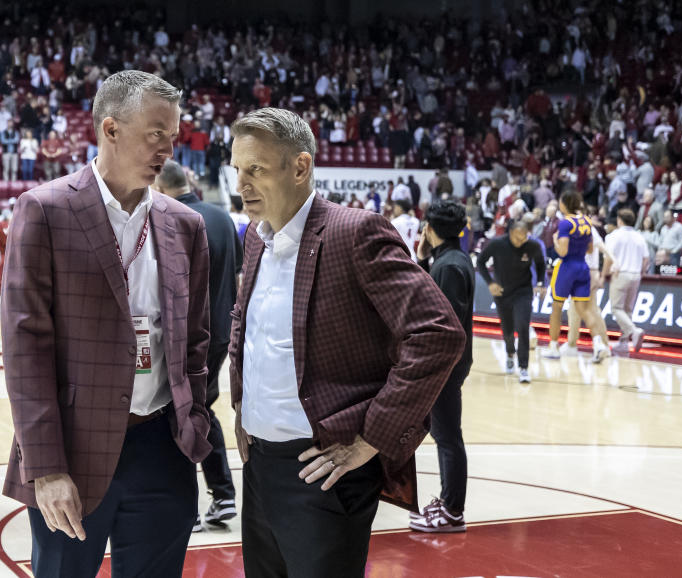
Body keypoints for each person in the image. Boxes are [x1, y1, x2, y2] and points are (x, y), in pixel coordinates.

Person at [227, 108, 464, 577]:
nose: (242, 184)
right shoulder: (256, 238)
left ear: (300, 167)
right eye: (238, 169)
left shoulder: (354, 232)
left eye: (256, 169)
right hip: (259, 466)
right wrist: (242, 409)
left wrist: (372, 438)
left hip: (325, 470)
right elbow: (249, 327)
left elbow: (437, 332)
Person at [0, 70, 212, 578]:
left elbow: (197, 340)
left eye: (172, 134)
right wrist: (45, 467)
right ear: (110, 129)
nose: (167, 147)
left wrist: (196, 417)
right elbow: (24, 347)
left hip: (163, 446)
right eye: (155, 133)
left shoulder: (185, 224)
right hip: (72, 449)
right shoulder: (45, 210)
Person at [155, 159, 243, 532]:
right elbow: (238, 273)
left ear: (160, 186)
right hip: (225, 330)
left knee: (184, 415)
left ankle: (193, 504)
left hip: (192, 335)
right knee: (200, 409)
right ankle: (220, 495)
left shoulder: (175, 218)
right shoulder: (222, 217)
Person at [411, 200, 475, 532]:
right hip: (449, 363)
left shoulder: (449, 266)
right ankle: (448, 501)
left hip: (445, 365)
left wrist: (432, 367)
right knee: (444, 434)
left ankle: (453, 511)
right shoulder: (452, 260)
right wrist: (422, 258)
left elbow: (442, 324)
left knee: (448, 436)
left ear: (430, 229)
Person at [543, 191, 611, 363]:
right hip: (583, 267)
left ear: (564, 204)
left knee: (557, 307)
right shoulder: (587, 222)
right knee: (585, 310)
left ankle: (553, 347)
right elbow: (589, 249)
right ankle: (599, 345)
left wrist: (556, 241)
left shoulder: (565, 223)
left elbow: (563, 251)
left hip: (567, 267)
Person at [476, 220, 547, 382]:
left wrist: (541, 283)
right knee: (507, 329)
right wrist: (490, 283)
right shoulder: (497, 244)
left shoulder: (532, 246)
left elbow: (541, 264)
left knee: (523, 326)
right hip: (502, 291)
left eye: (524, 238)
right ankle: (509, 352)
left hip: (524, 291)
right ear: (511, 234)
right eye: (518, 239)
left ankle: (523, 368)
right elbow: (480, 262)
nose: (521, 242)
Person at [602, 209, 650, 355]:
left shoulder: (614, 236)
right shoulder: (639, 236)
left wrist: (604, 274)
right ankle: (623, 343)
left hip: (620, 274)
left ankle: (634, 331)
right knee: (628, 310)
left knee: (617, 308)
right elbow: (646, 258)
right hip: (635, 275)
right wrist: (641, 272)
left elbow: (608, 257)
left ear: (619, 220)